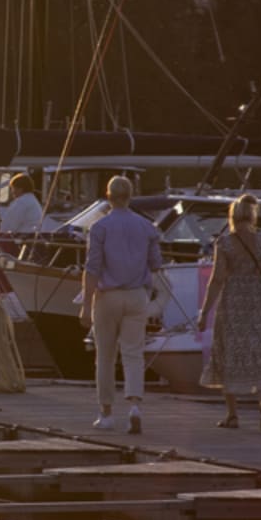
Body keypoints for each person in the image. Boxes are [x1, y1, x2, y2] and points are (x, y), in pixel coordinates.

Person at [198, 192, 261, 430]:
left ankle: (232, 416)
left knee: (228, 353)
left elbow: (218, 279)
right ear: (252, 215)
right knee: (259, 352)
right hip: (258, 299)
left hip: (233, 301)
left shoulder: (225, 242)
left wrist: (204, 312)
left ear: (232, 216)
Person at [81, 175, 163, 434]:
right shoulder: (147, 227)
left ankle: (106, 413)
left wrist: (85, 303)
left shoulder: (99, 227)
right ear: (130, 196)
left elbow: (92, 268)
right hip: (137, 295)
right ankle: (135, 407)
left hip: (107, 296)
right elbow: (156, 264)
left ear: (108, 196)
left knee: (105, 356)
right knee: (133, 354)